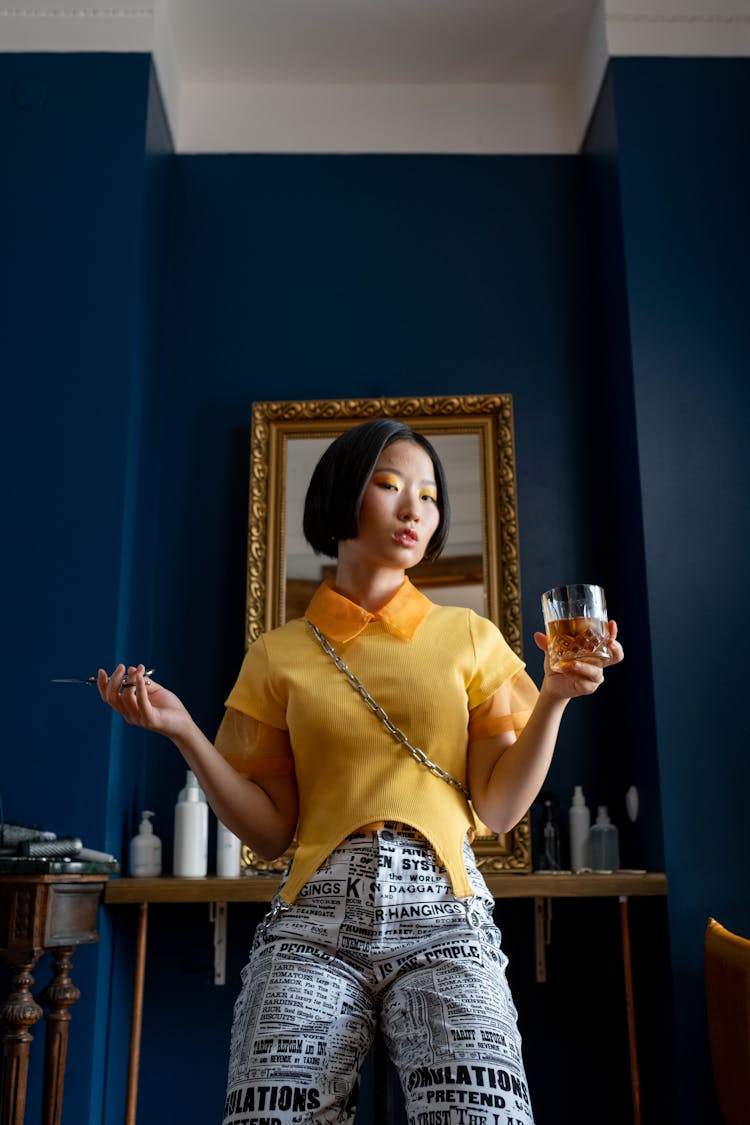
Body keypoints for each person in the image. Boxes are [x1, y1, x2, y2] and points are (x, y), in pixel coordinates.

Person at [99, 418, 623, 1125]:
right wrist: (184, 730)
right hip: (310, 923)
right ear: (343, 493)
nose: (415, 510)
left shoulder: (470, 636)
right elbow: (273, 828)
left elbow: (498, 809)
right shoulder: (278, 653)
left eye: (431, 496)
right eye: (390, 485)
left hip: (446, 919)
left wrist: (555, 696)